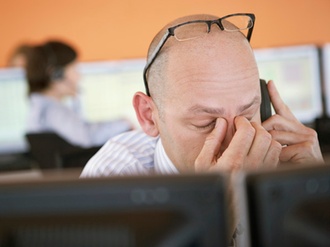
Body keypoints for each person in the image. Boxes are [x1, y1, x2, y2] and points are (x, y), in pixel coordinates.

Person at [81, 13, 323, 177]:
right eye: (206, 123)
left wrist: (314, 191)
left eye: (248, 116)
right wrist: (222, 203)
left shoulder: (283, 161)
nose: (235, 144)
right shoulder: (113, 177)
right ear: (149, 117)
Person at [25, 40, 132, 148]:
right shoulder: (52, 110)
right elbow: (88, 136)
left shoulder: (40, 106)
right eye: (74, 69)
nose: (79, 76)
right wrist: (125, 123)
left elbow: (82, 127)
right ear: (56, 75)